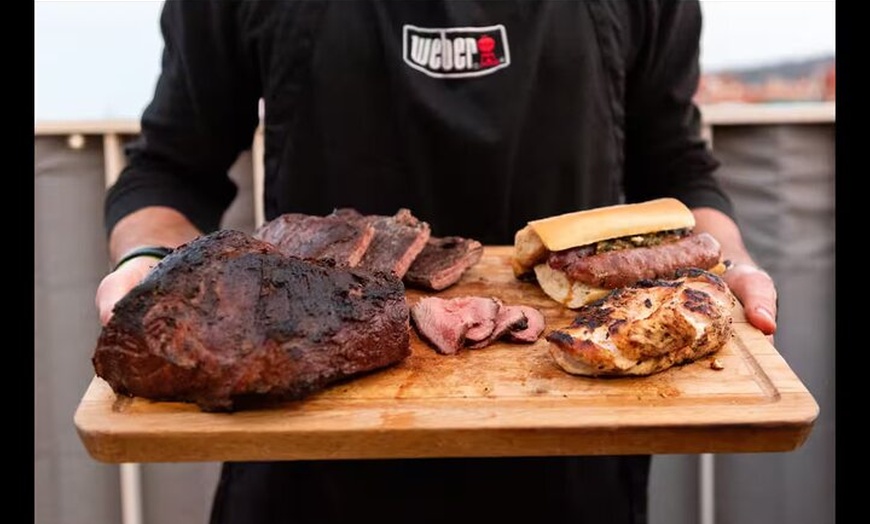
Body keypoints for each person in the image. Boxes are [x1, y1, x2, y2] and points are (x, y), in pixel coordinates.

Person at [94, 1, 778, 523]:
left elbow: (679, 167)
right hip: (302, 460)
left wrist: (732, 261)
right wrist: (149, 262)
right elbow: (167, 170)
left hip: (573, 465)